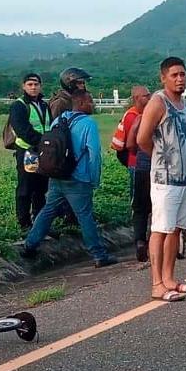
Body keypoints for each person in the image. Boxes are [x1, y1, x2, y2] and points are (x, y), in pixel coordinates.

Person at [19, 90, 118, 267]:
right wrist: (94, 179)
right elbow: (94, 155)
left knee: (48, 211)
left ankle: (29, 246)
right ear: (81, 103)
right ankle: (99, 255)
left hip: (57, 176)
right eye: (90, 101)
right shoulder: (88, 124)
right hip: (79, 179)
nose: (92, 104)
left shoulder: (59, 120)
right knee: (85, 216)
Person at [137, 57, 186, 301]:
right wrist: (161, 158)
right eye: (174, 75)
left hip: (185, 179)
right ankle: (157, 284)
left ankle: (169, 278)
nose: (179, 79)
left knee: (176, 229)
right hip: (165, 179)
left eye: (182, 74)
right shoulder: (157, 103)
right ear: (163, 77)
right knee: (160, 229)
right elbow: (143, 139)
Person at [7, 73, 53, 231]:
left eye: (36, 84)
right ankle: (24, 222)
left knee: (41, 187)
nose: (33, 87)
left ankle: (39, 221)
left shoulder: (45, 106)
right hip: (28, 152)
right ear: (24, 86)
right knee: (26, 186)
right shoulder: (18, 106)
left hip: (43, 152)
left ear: (41, 86)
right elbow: (22, 130)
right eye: (30, 85)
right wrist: (43, 142)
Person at [114, 85, 152, 261]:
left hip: (139, 163)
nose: (149, 97)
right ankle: (142, 240)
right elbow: (130, 145)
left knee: (141, 205)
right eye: (146, 96)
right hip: (138, 164)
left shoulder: (143, 114)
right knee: (141, 204)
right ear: (136, 98)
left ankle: (141, 240)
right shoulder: (133, 117)